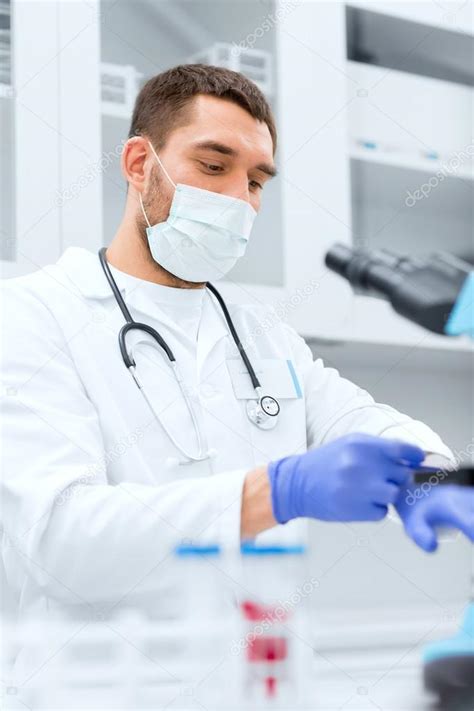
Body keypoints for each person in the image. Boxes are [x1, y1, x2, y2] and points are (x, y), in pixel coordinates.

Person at [1, 65, 472, 683]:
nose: (238, 199)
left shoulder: (260, 335)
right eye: (214, 165)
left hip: (254, 688)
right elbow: (62, 543)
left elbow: (361, 421)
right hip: (97, 691)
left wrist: (431, 478)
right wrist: (274, 491)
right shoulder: (33, 314)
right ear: (140, 164)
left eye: (255, 181)